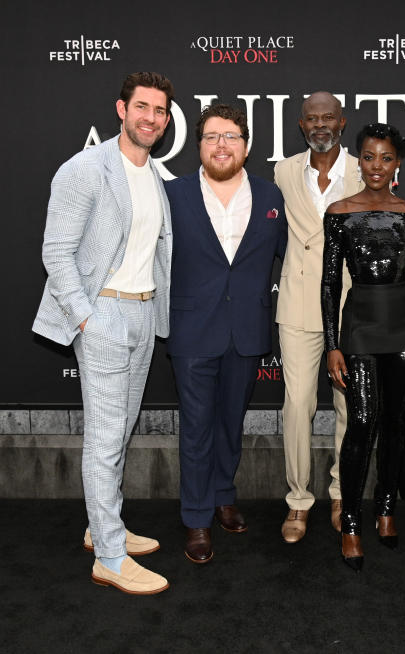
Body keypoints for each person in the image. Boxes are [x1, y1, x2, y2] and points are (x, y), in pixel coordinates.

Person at [32, 72, 174, 595]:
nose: (150, 118)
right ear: (121, 109)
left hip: (143, 313)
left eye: (160, 111)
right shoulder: (86, 168)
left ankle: (101, 526)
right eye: (142, 107)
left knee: (121, 429)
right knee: (105, 438)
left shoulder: (156, 176)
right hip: (104, 315)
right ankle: (110, 558)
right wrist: (86, 316)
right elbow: (56, 251)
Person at [164, 103, 287, 564]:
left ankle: (222, 494)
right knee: (196, 428)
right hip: (192, 329)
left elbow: (290, 258)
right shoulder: (172, 195)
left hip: (247, 330)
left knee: (230, 422)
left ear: (247, 145)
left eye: (231, 136)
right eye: (213, 136)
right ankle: (196, 518)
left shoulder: (270, 196)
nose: (222, 144)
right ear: (199, 146)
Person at [321, 123, 405, 571]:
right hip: (360, 324)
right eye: (368, 157)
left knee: (395, 422)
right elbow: (328, 284)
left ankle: (385, 510)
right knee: (361, 422)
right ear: (358, 160)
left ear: (398, 162)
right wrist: (332, 344)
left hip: (404, 325)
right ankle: (350, 522)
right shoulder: (339, 212)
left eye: (385, 157)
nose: (376, 166)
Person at [273, 92, 363, 542]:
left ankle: (343, 493)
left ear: (342, 122)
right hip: (297, 305)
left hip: (350, 307)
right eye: (312, 118)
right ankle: (298, 500)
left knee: (349, 406)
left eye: (328, 117)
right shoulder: (284, 171)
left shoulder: (364, 169)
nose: (320, 124)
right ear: (301, 124)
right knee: (297, 406)